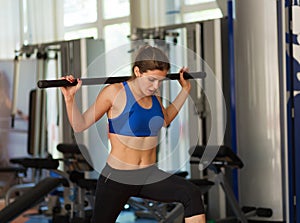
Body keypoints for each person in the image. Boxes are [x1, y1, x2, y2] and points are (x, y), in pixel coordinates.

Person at [61, 45, 206, 223]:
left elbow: (165, 119)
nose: (155, 86)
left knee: (191, 193)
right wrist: (69, 99)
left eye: (160, 81)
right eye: (151, 80)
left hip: (148, 175)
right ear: (137, 71)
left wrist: (185, 91)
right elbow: (80, 124)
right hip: (117, 177)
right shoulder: (114, 92)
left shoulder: (154, 95)